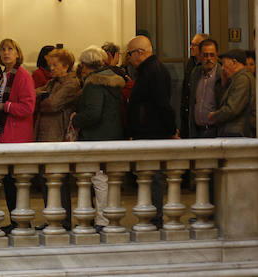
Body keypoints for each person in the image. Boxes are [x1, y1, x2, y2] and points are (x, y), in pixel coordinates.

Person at [71, 46, 125, 232]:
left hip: (96, 137)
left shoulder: (94, 84)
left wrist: (76, 118)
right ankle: (108, 217)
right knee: (107, 180)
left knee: (98, 180)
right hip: (112, 135)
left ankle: (102, 220)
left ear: (87, 65)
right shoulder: (113, 80)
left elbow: (93, 114)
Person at [125, 35, 175, 227]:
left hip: (153, 133)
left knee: (153, 178)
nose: (128, 58)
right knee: (147, 177)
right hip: (146, 133)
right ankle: (150, 216)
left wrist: (171, 130)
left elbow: (162, 104)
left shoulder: (154, 72)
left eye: (130, 53)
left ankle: (155, 219)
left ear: (140, 53)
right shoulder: (148, 71)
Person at [0, 38, 35, 234]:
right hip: (2, 133)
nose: (6, 53)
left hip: (17, 135)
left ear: (17, 53)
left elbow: (28, 107)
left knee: (16, 182)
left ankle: (22, 222)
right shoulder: (3, 76)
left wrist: (3, 106)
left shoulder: (22, 76)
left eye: (10, 49)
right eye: (3, 50)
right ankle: (16, 221)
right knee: (8, 183)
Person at [33, 47, 80, 230]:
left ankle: (64, 220)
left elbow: (52, 104)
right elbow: (34, 95)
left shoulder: (70, 84)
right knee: (46, 180)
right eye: (49, 65)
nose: (51, 68)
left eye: (55, 65)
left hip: (57, 135)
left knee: (59, 181)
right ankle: (51, 217)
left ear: (66, 66)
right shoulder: (53, 83)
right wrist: (40, 99)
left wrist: (42, 101)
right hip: (45, 134)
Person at [209, 49, 256, 137]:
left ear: (234, 62)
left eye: (224, 64)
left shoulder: (242, 79)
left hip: (238, 132)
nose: (222, 68)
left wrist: (215, 116)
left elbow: (232, 109)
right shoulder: (236, 79)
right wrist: (224, 83)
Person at [187, 38, 222, 138]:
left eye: (212, 55)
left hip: (215, 130)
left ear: (217, 55)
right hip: (197, 130)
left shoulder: (222, 75)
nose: (208, 59)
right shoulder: (195, 73)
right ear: (200, 56)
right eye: (205, 55)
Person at [177, 33, 209, 138]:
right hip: (187, 114)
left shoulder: (208, 65)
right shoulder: (191, 63)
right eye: (191, 44)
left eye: (194, 45)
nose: (191, 47)